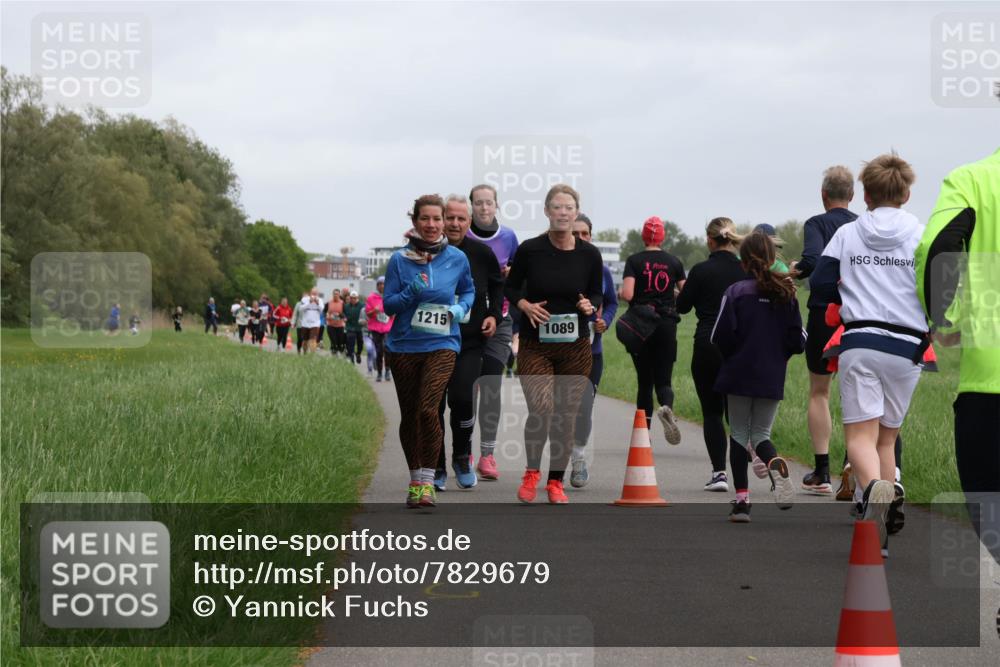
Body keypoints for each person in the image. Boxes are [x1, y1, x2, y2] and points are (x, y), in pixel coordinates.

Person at [811, 152, 926, 557]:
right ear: (907, 193)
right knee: (887, 438)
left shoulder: (849, 233)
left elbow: (822, 284)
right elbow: (938, 289)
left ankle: (876, 493)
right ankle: (883, 505)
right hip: (908, 346)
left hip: (860, 340)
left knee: (859, 435)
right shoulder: (921, 235)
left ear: (865, 194)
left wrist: (852, 294)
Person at [916, 146, 1000, 566]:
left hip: (990, 381)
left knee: (989, 501)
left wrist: (943, 319)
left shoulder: (973, 180)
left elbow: (939, 244)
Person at [505, 184, 603, 504]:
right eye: (557, 207)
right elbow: (512, 289)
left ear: (576, 213)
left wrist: (590, 306)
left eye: (568, 208)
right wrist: (524, 306)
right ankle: (532, 472)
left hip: (575, 346)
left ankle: (555, 481)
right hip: (536, 343)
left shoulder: (590, 253)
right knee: (542, 409)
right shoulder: (530, 249)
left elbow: (597, 293)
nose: (563, 213)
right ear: (547, 211)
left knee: (565, 414)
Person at [383, 193, 474, 508]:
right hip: (404, 345)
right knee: (410, 415)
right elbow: (389, 305)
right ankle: (414, 481)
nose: (433, 225)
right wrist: (412, 290)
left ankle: (427, 482)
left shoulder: (457, 259)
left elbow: (468, 289)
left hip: (442, 342)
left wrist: (461, 309)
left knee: (427, 409)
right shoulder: (399, 260)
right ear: (415, 222)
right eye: (426, 219)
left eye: (438, 219)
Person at [712, 231, 805, 522]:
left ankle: (742, 501)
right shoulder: (786, 293)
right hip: (771, 374)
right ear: (772, 259)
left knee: (739, 434)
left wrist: (732, 358)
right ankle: (775, 463)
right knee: (761, 435)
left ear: (743, 262)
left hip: (738, 372)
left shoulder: (736, 292)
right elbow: (798, 341)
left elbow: (719, 335)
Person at [791, 166, 858, 495]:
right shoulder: (864, 224)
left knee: (820, 391)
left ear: (823, 195)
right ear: (853, 196)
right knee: (858, 393)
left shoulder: (816, 224)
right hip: (860, 315)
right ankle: (853, 465)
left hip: (823, 314)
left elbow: (813, 260)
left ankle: (821, 472)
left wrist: (795, 271)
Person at [433, 194, 504, 491]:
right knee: (433, 406)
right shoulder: (428, 252)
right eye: (450, 217)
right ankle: (435, 465)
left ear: (470, 222)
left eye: (462, 218)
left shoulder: (481, 253)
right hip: (432, 340)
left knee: (462, 399)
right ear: (441, 219)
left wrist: (493, 316)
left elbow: (499, 285)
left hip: (470, 340)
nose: (455, 223)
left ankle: (461, 457)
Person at [676, 217, 747, 492]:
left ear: (709, 239)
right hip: (740, 346)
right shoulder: (746, 269)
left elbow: (682, 307)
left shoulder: (701, 270)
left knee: (712, 413)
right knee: (738, 415)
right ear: (732, 238)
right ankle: (747, 472)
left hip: (707, 344)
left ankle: (719, 474)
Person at [468, 183, 521, 480]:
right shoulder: (463, 234)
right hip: (468, 322)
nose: (484, 208)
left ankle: (487, 455)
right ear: (471, 205)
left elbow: (519, 272)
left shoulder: (509, 236)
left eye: (489, 202)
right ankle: (466, 449)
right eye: (479, 203)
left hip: (499, 320)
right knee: (467, 387)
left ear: (497, 205)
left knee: (491, 383)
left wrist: (510, 273)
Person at [620, 216, 686, 444]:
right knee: (664, 380)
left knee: (644, 382)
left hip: (641, 325)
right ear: (663, 237)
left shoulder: (634, 261)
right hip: (666, 325)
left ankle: (643, 436)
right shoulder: (674, 261)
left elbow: (628, 294)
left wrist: (628, 294)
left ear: (643, 235)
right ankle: (667, 407)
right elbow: (685, 294)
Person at [569, 213, 618, 488]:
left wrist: (605, 321)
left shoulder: (602, 270)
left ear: (591, 235)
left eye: (584, 234)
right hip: (557, 350)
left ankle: (578, 459)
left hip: (591, 350)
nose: (579, 239)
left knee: (583, 407)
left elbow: (612, 302)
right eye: (575, 233)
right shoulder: (553, 265)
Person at [366, 277, 393, 381]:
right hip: (375, 328)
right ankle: (379, 373)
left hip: (387, 328)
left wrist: (392, 312)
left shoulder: (390, 296)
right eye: (379, 284)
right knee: (379, 351)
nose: (382, 286)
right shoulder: (371, 298)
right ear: (377, 286)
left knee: (387, 349)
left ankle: (387, 371)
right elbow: (368, 314)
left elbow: (394, 312)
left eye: (383, 284)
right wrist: (374, 311)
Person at [300, 288, 324, 353]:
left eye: (315, 294)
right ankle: (305, 352)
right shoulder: (304, 299)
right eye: (313, 293)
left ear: (318, 294)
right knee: (305, 340)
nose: (314, 295)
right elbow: (301, 309)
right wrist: (309, 302)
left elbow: (322, 310)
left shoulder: (320, 300)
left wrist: (317, 303)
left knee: (313, 339)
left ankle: (312, 354)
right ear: (310, 293)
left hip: (315, 323)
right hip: (305, 323)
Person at [344, 291, 365, 363]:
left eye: (354, 298)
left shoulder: (362, 305)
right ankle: (351, 356)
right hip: (350, 327)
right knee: (350, 342)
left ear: (357, 298)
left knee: (360, 342)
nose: (353, 300)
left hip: (359, 327)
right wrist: (344, 317)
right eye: (351, 298)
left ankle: (358, 353)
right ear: (350, 298)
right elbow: (343, 313)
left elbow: (365, 313)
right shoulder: (346, 306)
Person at [325, 291, 347, 355]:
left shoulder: (342, 303)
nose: (335, 295)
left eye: (337, 294)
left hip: (340, 325)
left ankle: (338, 349)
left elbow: (345, 313)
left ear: (339, 295)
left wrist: (342, 316)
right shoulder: (329, 303)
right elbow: (324, 311)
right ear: (332, 295)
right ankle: (334, 352)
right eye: (334, 294)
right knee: (333, 340)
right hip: (330, 325)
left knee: (339, 341)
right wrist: (327, 315)